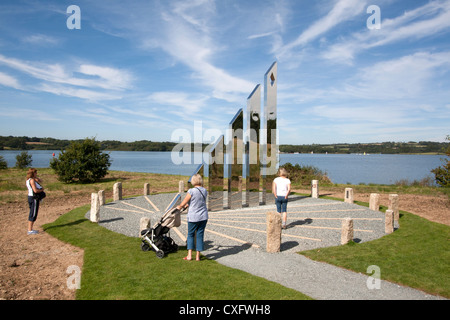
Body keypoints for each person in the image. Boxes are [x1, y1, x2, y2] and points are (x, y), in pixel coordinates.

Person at [177, 174, 208, 261]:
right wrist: (188, 204)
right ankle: (198, 256)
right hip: (203, 216)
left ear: (193, 181)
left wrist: (179, 206)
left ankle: (189, 255)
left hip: (193, 217)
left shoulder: (191, 191)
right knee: (200, 235)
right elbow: (198, 201)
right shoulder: (205, 191)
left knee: (190, 235)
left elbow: (184, 201)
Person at [25, 168, 45, 235]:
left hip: (30, 197)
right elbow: (35, 190)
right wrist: (42, 190)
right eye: (35, 173)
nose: (37, 174)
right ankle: (30, 230)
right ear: (33, 173)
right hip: (34, 198)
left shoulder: (28, 180)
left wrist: (36, 177)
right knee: (33, 213)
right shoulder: (32, 181)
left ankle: (30, 229)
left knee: (32, 212)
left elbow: (41, 181)